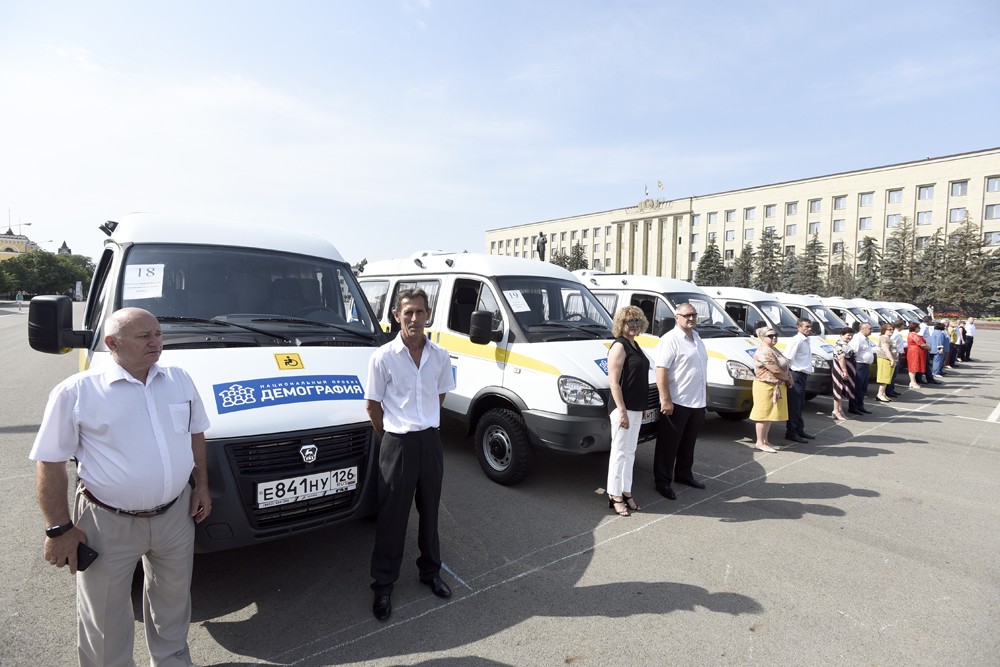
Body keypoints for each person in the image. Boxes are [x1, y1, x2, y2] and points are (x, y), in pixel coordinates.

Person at [30, 308, 211, 667]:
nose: (156, 342)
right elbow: (50, 462)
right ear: (112, 343)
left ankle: (173, 662)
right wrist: (58, 529)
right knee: (104, 618)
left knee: (173, 604)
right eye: (144, 336)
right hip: (107, 522)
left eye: (158, 334)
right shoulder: (77, 391)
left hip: (175, 516)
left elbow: (195, 435)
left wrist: (202, 486)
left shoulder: (179, 380)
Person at [365, 288, 457, 622]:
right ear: (396, 315)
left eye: (419, 312)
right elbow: (372, 405)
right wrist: (391, 436)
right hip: (398, 443)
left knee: (430, 512)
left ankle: (430, 571)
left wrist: (423, 422)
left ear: (428, 314)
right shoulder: (383, 357)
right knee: (392, 517)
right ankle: (383, 585)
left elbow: (440, 394)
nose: (414, 318)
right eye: (408, 313)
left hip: (429, 441)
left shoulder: (440, 356)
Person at [653, 303, 708, 500]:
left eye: (694, 315)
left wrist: (706, 392)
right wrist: (665, 399)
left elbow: (701, 367)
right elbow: (661, 370)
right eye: (687, 315)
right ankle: (662, 481)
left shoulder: (697, 337)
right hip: (678, 401)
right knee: (668, 445)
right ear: (677, 317)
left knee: (688, 443)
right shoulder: (670, 339)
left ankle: (684, 474)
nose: (691, 318)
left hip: (697, 401)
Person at [605, 306, 650, 516]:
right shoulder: (619, 346)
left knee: (630, 452)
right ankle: (614, 495)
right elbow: (613, 382)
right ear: (621, 324)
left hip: (636, 407)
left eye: (637, 321)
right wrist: (622, 411)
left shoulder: (635, 345)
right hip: (622, 408)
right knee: (619, 452)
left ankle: (626, 490)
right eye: (629, 321)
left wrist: (642, 407)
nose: (634, 325)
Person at [750, 327, 793, 452]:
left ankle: (765, 441)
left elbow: (784, 366)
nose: (774, 337)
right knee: (763, 415)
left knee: (769, 415)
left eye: (775, 335)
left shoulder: (773, 349)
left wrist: (789, 376)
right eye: (770, 336)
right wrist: (788, 379)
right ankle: (760, 442)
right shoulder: (764, 351)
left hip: (775, 385)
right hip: (765, 386)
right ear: (762, 338)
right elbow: (775, 369)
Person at [783, 318, 815, 444]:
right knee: (794, 406)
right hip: (795, 375)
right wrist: (789, 377)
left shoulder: (806, 339)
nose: (809, 329)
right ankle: (791, 432)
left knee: (800, 404)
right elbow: (787, 359)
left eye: (810, 326)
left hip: (803, 375)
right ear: (799, 327)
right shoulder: (796, 340)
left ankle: (799, 430)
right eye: (806, 326)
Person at [848, 322, 875, 414]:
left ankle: (860, 405)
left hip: (865, 365)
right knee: (857, 387)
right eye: (870, 328)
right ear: (863, 329)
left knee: (863, 387)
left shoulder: (866, 339)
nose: (872, 330)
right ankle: (853, 407)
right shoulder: (857, 338)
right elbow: (853, 352)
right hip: (859, 365)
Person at [831, 328, 855, 421]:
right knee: (838, 389)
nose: (850, 337)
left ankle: (840, 410)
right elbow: (841, 358)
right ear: (842, 335)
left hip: (845, 370)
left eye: (851, 335)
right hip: (840, 371)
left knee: (841, 390)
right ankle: (835, 411)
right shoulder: (839, 346)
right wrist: (845, 371)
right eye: (848, 335)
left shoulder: (845, 345)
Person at [875, 323, 898, 403]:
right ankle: (880, 394)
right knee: (884, 378)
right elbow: (886, 349)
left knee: (888, 378)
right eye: (890, 329)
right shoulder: (884, 339)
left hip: (888, 360)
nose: (892, 331)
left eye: (892, 329)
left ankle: (883, 394)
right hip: (885, 359)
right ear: (884, 330)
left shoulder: (888, 338)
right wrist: (891, 359)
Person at [906, 322, 930, 389]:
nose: (919, 329)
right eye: (918, 327)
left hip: (915, 352)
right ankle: (913, 382)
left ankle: (913, 382)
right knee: (913, 367)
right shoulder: (914, 335)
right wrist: (929, 348)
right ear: (915, 328)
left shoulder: (912, 334)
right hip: (915, 353)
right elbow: (921, 344)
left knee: (914, 367)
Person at [886, 320, 906, 398]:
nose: (903, 327)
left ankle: (891, 389)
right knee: (893, 373)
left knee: (894, 374)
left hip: (898, 353)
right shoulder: (896, 334)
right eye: (903, 325)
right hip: (896, 354)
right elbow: (892, 344)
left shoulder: (897, 334)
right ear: (900, 326)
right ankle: (889, 390)